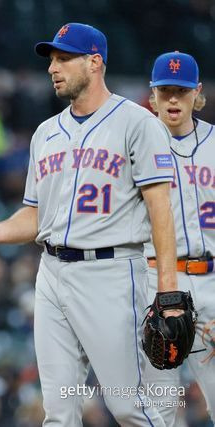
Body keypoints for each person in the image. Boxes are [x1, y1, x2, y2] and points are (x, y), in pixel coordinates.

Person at [0, 23, 182, 426]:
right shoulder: (45, 133)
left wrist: (168, 292)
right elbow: (34, 214)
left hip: (111, 273)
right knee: (58, 412)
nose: (53, 68)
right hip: (51, 274)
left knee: (128, 406)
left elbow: (161, 211)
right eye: (52, 59)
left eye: (64, 58)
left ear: (95, 62)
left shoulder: (137, 123)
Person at [142, 51, 215, 425]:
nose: (173, 99)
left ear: (197, 92)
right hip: (155, 282)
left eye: (182, 91)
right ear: (152, 93)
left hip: (211, 279)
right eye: (165, 90)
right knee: (159, 411)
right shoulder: (134, 148)